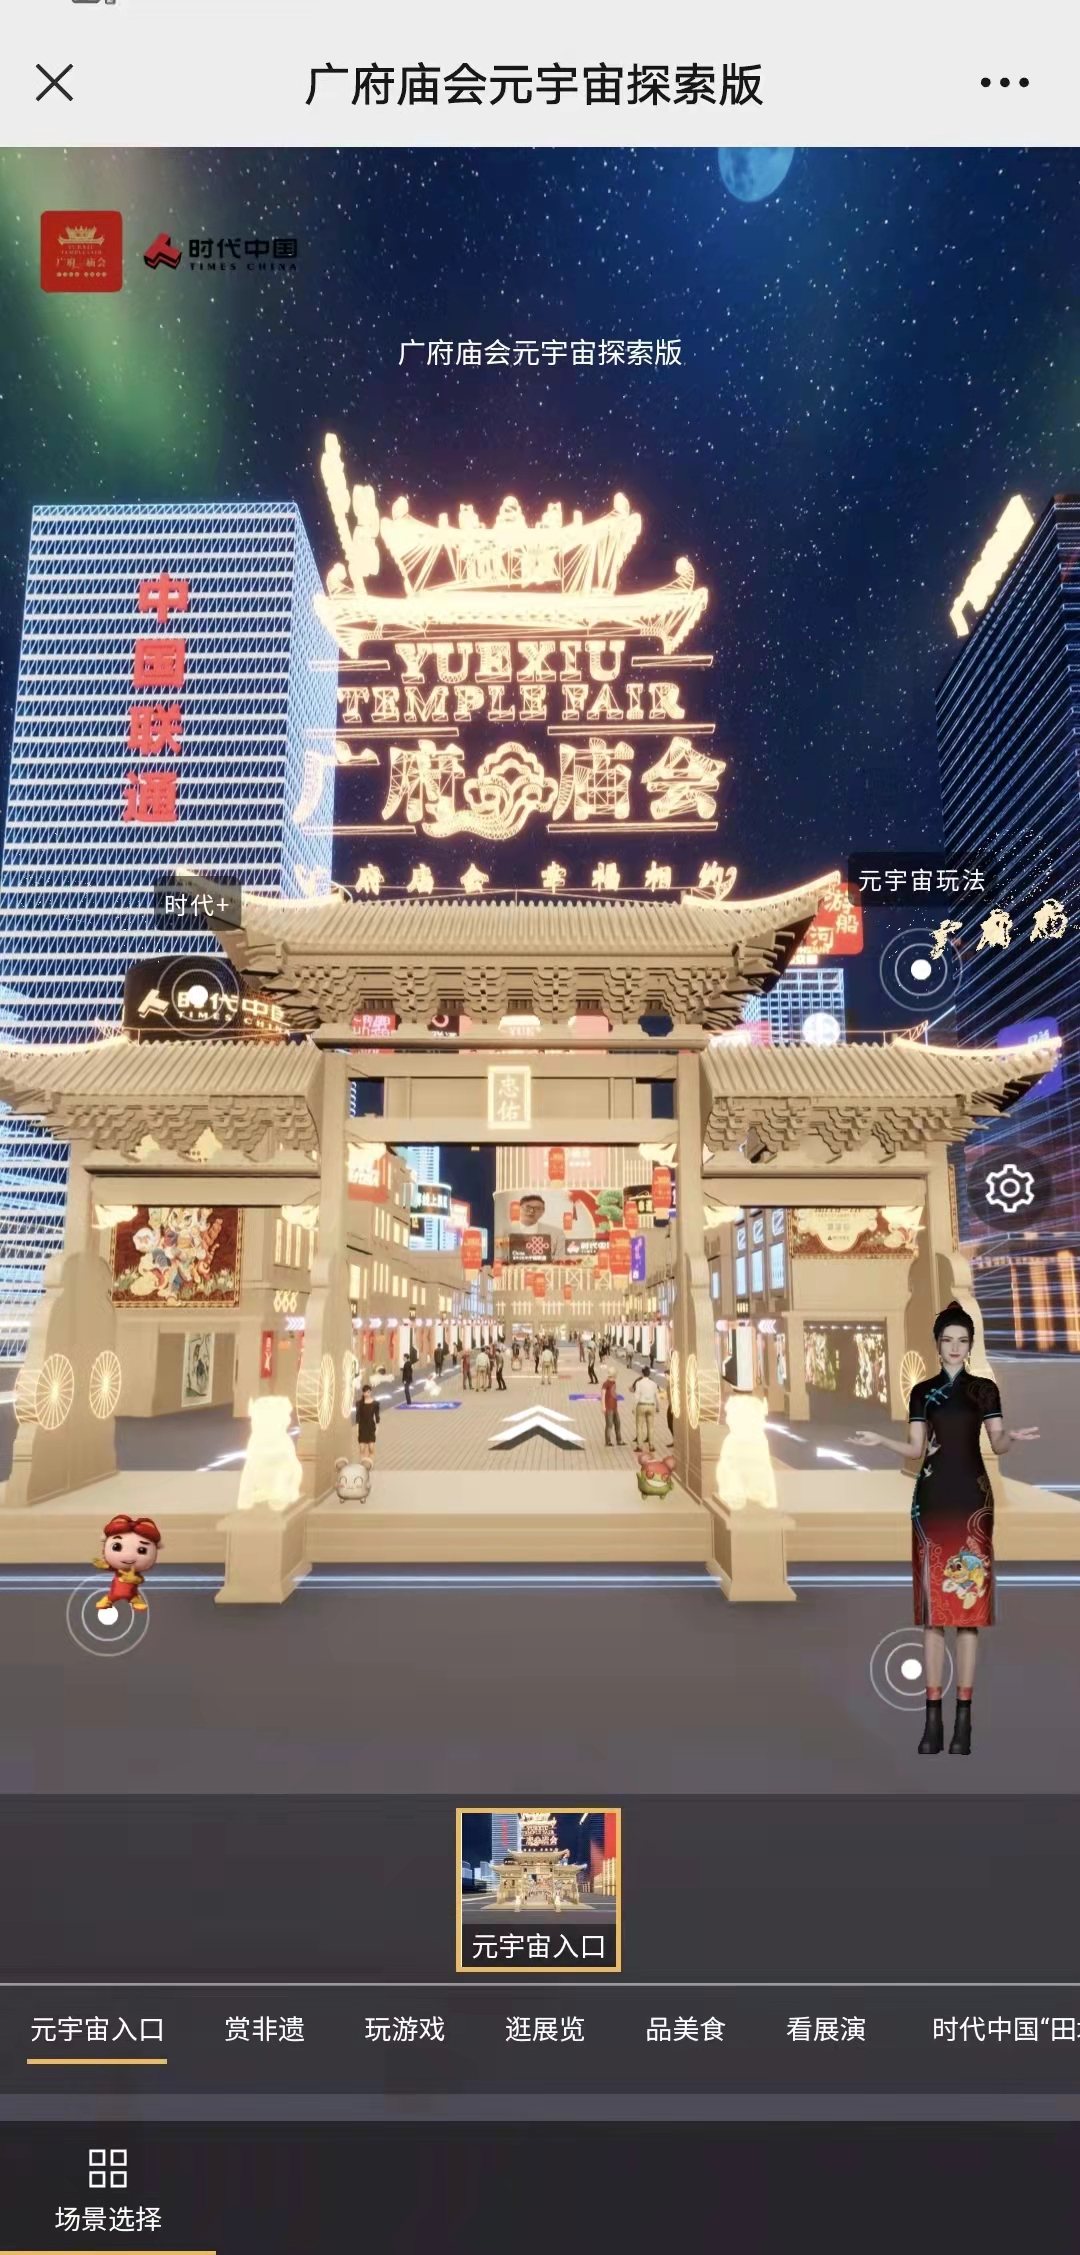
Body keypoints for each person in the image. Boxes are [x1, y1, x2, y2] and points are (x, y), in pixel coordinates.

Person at [851, 1301, 1039, 1757]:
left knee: (968, 1615)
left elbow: (997, 1443)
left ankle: (964, 1720)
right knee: (932, 1613)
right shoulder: (923, 1392)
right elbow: (915, 1449)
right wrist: (881, 1440)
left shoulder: (984, 1390)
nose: (955, 1348)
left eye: (962, 1341)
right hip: (932, 1502)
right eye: (948, 1340)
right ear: (937, 1344)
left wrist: (1011, 1439)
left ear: (970, 1345)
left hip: (972, 1501)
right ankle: (932, 1719)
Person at [92, 1514, 162, 1614]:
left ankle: (135, 1600)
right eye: (117, 1547)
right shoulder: (119, 1569)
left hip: (132, 1595)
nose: (129, 1556)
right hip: (113, 1593)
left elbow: (140, 1580)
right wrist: (104, 1565)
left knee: (135, 1598)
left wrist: (134, 1579)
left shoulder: (134, 1572)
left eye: (142, 1550)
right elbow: (110, 1567)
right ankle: (108, 1600)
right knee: (109, 1598)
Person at [631, 1362, 659, 1452]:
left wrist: (634, 1407)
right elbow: (657, 1396)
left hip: (641, 1405)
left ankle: (640, 1446)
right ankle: (651, 1445)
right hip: (651, 1405)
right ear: (649, 1374)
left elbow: (636, 1396)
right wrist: (658, 1406)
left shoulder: (639, 1383)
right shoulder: (654, 1384)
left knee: (639, 1426)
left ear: (642, 1373)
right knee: (651, 1426)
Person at [355, 1382, 381, 1467]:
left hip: (370, 1427)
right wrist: (357, 1430)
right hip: (362, 1427)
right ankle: (363, 1465)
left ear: (370, 1392)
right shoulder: (359, 1404)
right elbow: (357, 1418)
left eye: (368, 1392)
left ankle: (370, 1464)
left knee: (371, 1448)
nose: (366, 1394)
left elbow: (377, 1417)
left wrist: (377, 1429)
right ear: (363, 1393)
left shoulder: (375, 1404)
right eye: (365, 1392)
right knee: (362, 1448)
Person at [601, 1367, 622, 1447]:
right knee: (609, 1424)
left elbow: (613, 1393)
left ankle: (619, 1440)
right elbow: (603, 1396)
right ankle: (608, 1441)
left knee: (618, 1423)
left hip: (614, 1406)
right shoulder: (606, 1384)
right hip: (608, 1407)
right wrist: (603, 1406)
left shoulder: (613, 1383)